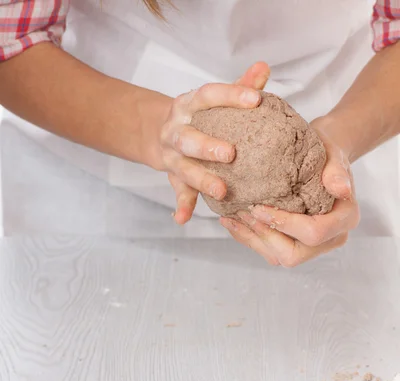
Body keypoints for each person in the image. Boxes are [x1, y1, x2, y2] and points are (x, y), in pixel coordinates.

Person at [0, 0, 399, 266]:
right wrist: (158, 128)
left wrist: (338, 142)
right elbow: (12, 37)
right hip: (86, 153)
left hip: (346, 100)